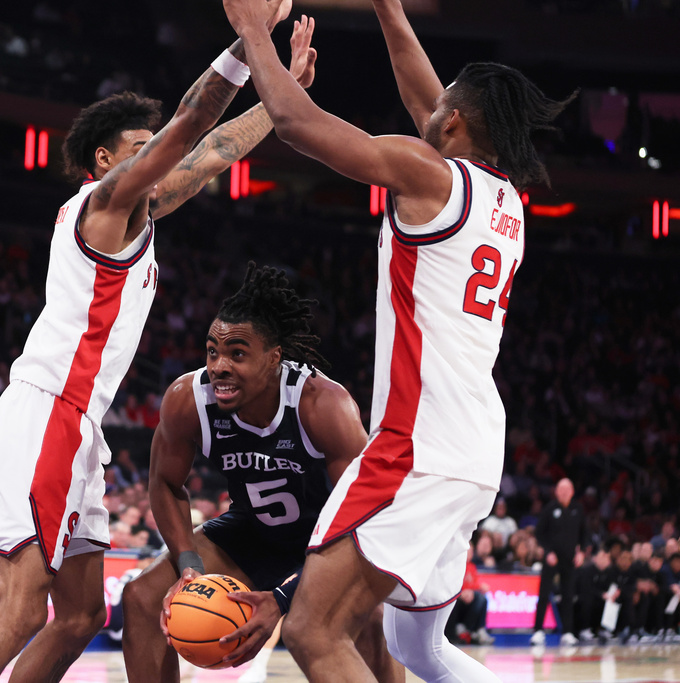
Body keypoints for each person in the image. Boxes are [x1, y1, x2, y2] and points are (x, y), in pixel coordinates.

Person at [0, 5, 317, 680]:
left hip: (79, 422)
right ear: (105, 160)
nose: (157, 156)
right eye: (141, 148)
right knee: (23, 606)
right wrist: (249, 42)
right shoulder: (103, 205)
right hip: (51, 407)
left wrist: (280, 90)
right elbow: (192, 126)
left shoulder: (139, 212)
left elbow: (211, 153)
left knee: (83, 614)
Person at [220, 0, 575, 680]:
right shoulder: (505, 204)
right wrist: (387, 7)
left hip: (418, 444)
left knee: (313, 629)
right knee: (419, 650)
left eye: (443, 108)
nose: (430, 107)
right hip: (473, 449)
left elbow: (297, 122)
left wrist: (250, 35)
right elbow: (428, 101)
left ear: (456, 123)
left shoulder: (429, 174)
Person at [122, 264, 400, 683]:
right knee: (142, 598)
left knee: (370, 617)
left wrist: (284, 596)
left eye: (237, 354)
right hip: (252, 531)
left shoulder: (322, 405)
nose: (219, 366)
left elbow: (365, 516)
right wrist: (189, 565)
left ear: (274, 358)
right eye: (213, 351)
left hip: (328, 540)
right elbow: (164, 483)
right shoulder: (187, 401)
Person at [531, 478, 586, 646]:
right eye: (560, 489)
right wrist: (547, 552)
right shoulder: (550, 509)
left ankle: (567, 632)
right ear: (556, 492)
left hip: (569, 560)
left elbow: (585, 534)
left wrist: (581, 552)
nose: (563, 492)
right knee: (544, 593)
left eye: (566, 489)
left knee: (568, 595)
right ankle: (538, 631)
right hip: (552, 559)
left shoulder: (578, 509)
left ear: (572, 492)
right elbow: (539, 533)